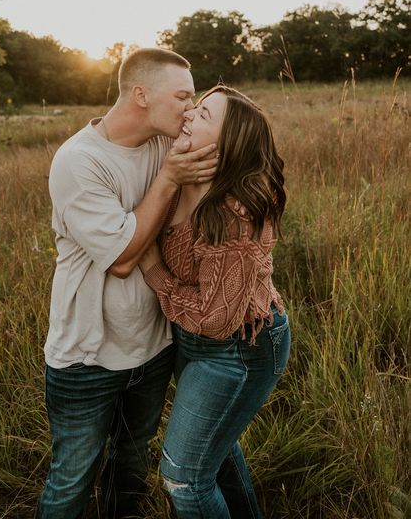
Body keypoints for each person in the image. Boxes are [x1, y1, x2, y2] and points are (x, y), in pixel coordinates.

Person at [35, 48, 219, 519]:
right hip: (87, 357)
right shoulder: (79, 161)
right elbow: (121, 259)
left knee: (132, 467)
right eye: (182, 96)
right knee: (72, 479)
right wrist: (172, 178)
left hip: (153, 348)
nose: (190, 108)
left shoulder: (166, 140)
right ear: (141, 94)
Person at [139, 85, 291, 518]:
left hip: (242, 348)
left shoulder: (235, 212)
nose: (188, 115)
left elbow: (216, 317)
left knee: (183, 477)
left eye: (203, 115)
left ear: (228, 146)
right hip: (195, 342)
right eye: (195, 107)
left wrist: (155, 272)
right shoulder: (177, 172)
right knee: (217, 457)